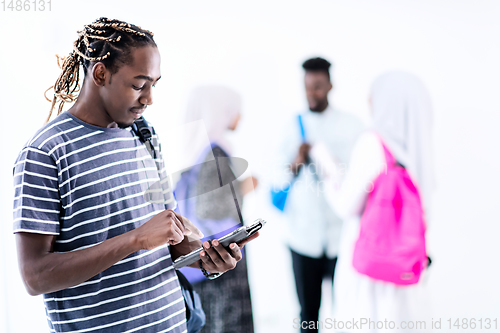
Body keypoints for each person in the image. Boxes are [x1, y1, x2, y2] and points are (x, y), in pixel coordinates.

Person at [12, 18, 257, 333]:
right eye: (139, 85)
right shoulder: (46, 152)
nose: (149, 98)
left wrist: (205, 257)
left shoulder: (144, 133)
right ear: (101, 73)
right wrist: (135, 239)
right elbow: (36, 276)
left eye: (154, 84)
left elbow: (169, 236)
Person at [311, 71, 434, 333]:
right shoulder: (420, 149)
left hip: (369, 273)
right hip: (407, 271)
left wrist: (328, 167)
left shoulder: (373, 143)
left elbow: (347, 206)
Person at [273, 57, 364, 332]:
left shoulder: (352, 126)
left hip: (342, 239)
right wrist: (296, 161)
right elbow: (275, 180)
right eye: (307, 87)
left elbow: (361, 177)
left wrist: (331, 163)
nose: (312, 93)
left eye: (318, 86)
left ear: (330, 85)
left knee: (349, 312)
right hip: (302, 238)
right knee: (308, 315)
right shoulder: (290, 126)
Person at [175, 85, 257, 333]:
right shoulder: (216, 152)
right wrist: (244, 188)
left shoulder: (195, 150)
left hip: (202, 257)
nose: (240, 117)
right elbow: (211, 207)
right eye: (235, 111)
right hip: (220, 258)